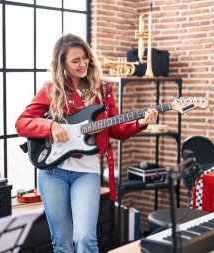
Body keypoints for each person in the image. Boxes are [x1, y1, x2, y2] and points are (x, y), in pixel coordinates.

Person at [15, 33, 158, 253]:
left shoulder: (102, 89)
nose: (83, 64)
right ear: (62, 64)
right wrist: (51, 126)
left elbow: (116, 130)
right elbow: (22, 123)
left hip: (87, 172)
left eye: (85, 57)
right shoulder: (51, 89)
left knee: (84, 239)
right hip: (53, 172)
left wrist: (139, 122)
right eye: (75, 60)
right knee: (61, 243)